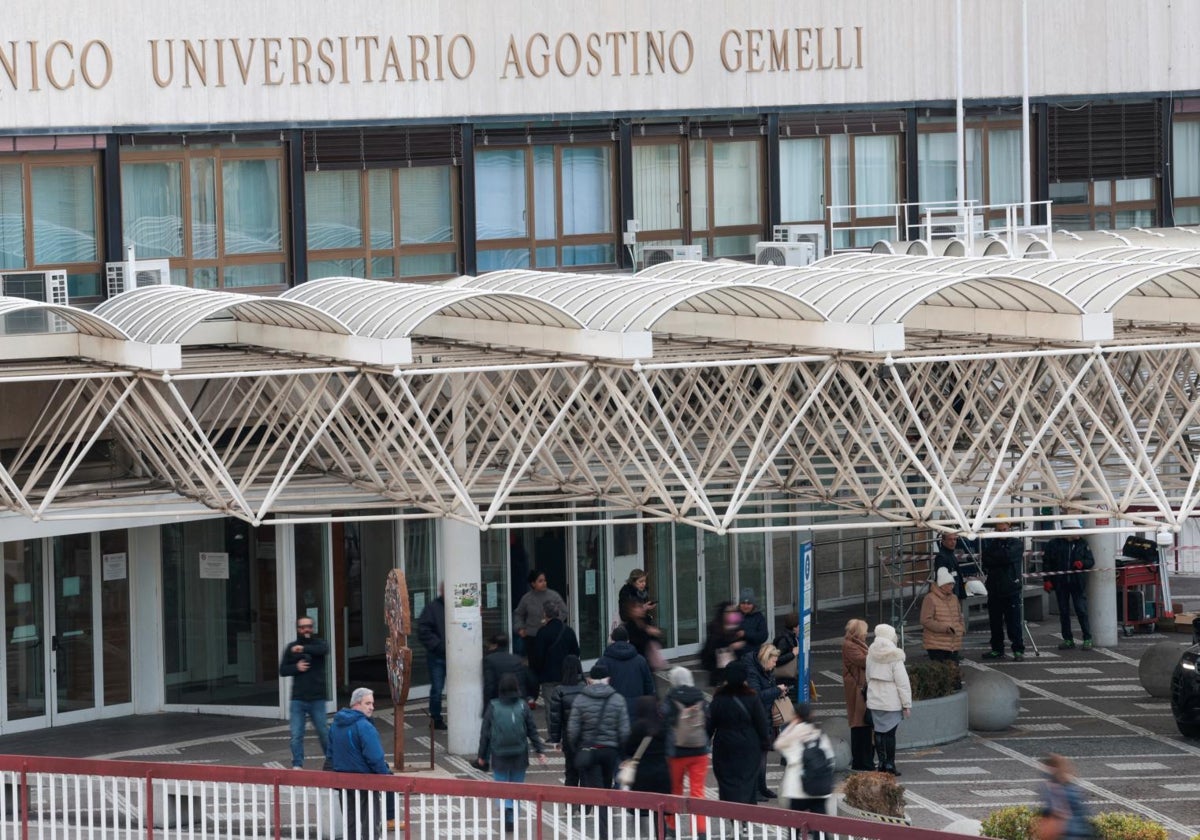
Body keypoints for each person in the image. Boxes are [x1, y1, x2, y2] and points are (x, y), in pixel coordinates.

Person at [475, 672, 548, 831]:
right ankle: (512, 815)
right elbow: (532, 730)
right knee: (517, 785)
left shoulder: (493, 706)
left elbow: (485, 734)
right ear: (516, 688)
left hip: (499, 753)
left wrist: (482, 756)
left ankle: (506, 805)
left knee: (501, 784)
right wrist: (540, 751)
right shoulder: (523, 705)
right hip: (519, 753)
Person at [567, 663, 630, 838]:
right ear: (608, 679)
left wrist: (577, 748)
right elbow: (624, 731)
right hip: (610, 752)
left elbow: (572, 730)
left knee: (596, 790)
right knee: (606, 788)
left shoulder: (581, 699)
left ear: (589, 680)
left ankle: (602, 831)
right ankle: (605, 829)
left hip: (589, 750)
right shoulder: (617, 699)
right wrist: (624, 754)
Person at [330, 688, 392, 840]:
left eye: (372, 703)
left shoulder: (335, 725)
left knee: (350, 824)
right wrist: (385, 775)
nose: (372, 707)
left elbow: (330, 753)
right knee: (370, 826)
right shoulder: (364, 726)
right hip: (366, 783)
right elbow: (375, 757)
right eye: (368, 703)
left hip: (344, 782)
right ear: (356, 704)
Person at [708, 661, 771, 806]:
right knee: (747, 781)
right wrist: (765, 742)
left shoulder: (719, 699)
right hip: (749, 744)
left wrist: (705, 740)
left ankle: (731, 815)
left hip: (724, 745)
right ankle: (746, 815)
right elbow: (761, 723)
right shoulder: (752, 697)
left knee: (726, 781)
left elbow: (710, 725)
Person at [662, 666, 709, 838]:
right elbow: (707, 718)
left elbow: (665, 721)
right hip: (699, 751)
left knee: (675, 790)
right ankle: (700, 830)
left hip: (676, 752)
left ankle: (672, 828)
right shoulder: (700, 696)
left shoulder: (670, 697)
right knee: (698, 791)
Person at [279, 614, 331, 769]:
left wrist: (303, 648)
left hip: (317, 698)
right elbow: (282, 670)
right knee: (296, 734)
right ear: (298, 629)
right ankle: (297, 765)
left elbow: (323, 649)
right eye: (302, 627)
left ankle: (332, 761)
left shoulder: (319, 644)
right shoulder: (291, 647)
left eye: (309, 626)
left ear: (312, 628)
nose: (306, 629)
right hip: (298, 699)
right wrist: (296, 667)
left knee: (323, 732)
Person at [774, 703, 836, 825]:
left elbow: (778, 744)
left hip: (797, 789)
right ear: (811, 715)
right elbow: (830, 759)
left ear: (796, 716)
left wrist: (792, 724)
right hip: (819, 788)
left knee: (795, 827)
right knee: (820, 827)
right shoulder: (818, 734)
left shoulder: (793, 735)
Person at [513, 569, 569, 702]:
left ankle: (549, 691)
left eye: (544, 580)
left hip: (550, 636)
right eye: (540, 581)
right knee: (534, 666)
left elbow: (564, 612)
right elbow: (518, 614)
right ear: (533, 583)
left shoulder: (553, 595)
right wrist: (520, 628)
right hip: (533, 637)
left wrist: (554, 622)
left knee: (548, 664)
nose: (544, 583)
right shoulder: (526, 598)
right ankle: (533, 693)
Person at [865, 624, 912, 777]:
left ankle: (881, 763)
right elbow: (902, 682)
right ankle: (890, 764)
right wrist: (906, 704)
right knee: (890, 733)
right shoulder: (895, 655)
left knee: (878, 731)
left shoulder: (870, 653)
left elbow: (867, 676)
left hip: (874, 698)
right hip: (891, 700)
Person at [1042, 521, 1095, 650]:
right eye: (1077, 530)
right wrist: (1047, 580)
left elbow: (1091, 561)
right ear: (1069, 530)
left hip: (1077, 582)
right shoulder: (1053, 544)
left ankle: (1087, 638)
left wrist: (1082, 563)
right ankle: (1068, 639)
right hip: (1061, 583)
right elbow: (1047, 563)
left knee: (1081, 610)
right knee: (1064, 612)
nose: (1080, 533)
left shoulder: (1082, 543)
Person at [745, 643, 788, 801]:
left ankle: (762, 788)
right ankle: (755, 790)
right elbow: (755, 695)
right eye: (774, 661)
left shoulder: (766, 669)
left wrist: (779, 690)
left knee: (763, 754)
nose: (775, 664)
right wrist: (776, 690)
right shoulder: (753, 671)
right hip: (756, 718)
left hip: (765, 716)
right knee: (756, 756)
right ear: (765, 659)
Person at [983, 518, 1027, 660]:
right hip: (994, 589)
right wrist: (1000, 558)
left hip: (1011, 588)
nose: (1002, 532)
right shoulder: (991, 544)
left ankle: (1018, 649)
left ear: (1009, 529)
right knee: (995, 622)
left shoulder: (1017, 543)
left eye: (1004, 529)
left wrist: (997, 558)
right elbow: (986, 560)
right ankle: (997, 648)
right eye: (999, 530)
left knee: (1013, 621)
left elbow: (1007, 557)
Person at [531, 601, 580, 718]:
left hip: (549, 676)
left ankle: (553, 735)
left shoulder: (543, 632)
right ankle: (566, 733)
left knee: (551, 707)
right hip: (567, 675)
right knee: (567, 706)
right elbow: (576, 653)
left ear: (545, 614)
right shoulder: (568, 631)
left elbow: (537, 656)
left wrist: (537, 673)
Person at [597, 625, 655, 718]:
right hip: (637, 710)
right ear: (628, 640)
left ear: (612, 640)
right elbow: (649, 687)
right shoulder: (640, 661)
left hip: (612, 712)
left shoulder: (603, 662)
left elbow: (597, 689)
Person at [547, 655, 587, 788]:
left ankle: (570, 805)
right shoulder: (586, 688)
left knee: (570, 771)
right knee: (586, 771)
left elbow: (555, 718)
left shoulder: (559, 691)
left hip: (569, 736)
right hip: (586, 736)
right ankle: (586, 806)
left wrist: (555, 740)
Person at [624, 695, 670, 806]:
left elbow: (628, 748)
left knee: (641, 809)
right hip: (662, 771)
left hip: (642, 773)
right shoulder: (663, 725)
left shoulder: (638, 727)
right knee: (660, 809)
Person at [840, 618, 874, 772]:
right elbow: (863, 661)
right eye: (865, 630)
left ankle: (864, 761)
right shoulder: (849, 645)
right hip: (857, 689)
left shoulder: (856, 643)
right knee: (859, 724)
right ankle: (861, 761)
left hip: (859, 688)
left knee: (864, 726)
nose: (866, 633)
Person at [1038, 753, 1093, 839]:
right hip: (1079, 833)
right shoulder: (1071, 787)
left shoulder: (1054, 788)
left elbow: (1055, 814)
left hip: (1069, 834)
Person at [416, 583, 448, 730]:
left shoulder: (457, 606)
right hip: (438, 656)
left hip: (456, 655)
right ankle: (436, 718)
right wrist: (438, 646)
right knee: (437, 688)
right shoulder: (432, 608)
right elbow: (423, 630)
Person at [920, 566, 965, 662]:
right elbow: (925, 620)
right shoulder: (930, 598)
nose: (952, 586)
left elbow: (959, 616)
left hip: (953, 644)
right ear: (942, 585)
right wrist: (944, 628)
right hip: (936, 644)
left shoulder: (954, 598)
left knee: (954, 673)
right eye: (949, 584)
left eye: (952, 584)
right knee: (941, 673)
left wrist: (961, 628)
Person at [700, 600, 745, 686]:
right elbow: (711, 650)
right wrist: (731, 647)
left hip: (735, 674)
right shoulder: (715, 629)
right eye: (728, 612)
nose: (731, 614)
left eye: (734, 611)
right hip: (719, 675)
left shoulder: (736, 628)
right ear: (722, 613)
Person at [483, 633, 531, 707]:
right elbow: (528, 679)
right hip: (517, 700)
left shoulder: (489, 660)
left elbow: (489, 685)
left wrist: (486, 706)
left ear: (494, 645)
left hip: (499, 701)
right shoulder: (517, 659)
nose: (488, 648)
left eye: (489, 646)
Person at [623, 598, 665, 670]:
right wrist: (647, 631)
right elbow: (634, 643)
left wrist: (655, 633)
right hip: (635, 664)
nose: (641, 609)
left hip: (648, 662)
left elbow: (655, 640)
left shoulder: (646, 620)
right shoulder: (628, 626)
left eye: (641, 607)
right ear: (631, 611)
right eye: (638, 607)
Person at [933, 533, 968, 601]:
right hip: (948, 594)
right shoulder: (942, 557)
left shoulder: (950, 554)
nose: (953, 542)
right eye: (950, 539)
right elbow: (942, 579)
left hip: (954, 593)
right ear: (943, 541)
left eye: (955, 539)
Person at [773, 612, 801, 694]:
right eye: (799, 626)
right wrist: (792, 654)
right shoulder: (784, 640)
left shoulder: (790, 637)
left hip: (789, 676)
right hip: (785, 678)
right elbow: (777, 659)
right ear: (795, 627)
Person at [737, 588, 770, 657]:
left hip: (753, 657)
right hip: (736, 658)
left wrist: (745, 634)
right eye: (743, 603)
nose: (745, 606)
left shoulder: (758, 617)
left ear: (753, 605)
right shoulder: (734, 615)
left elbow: (763, 636)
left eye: (749, 603)